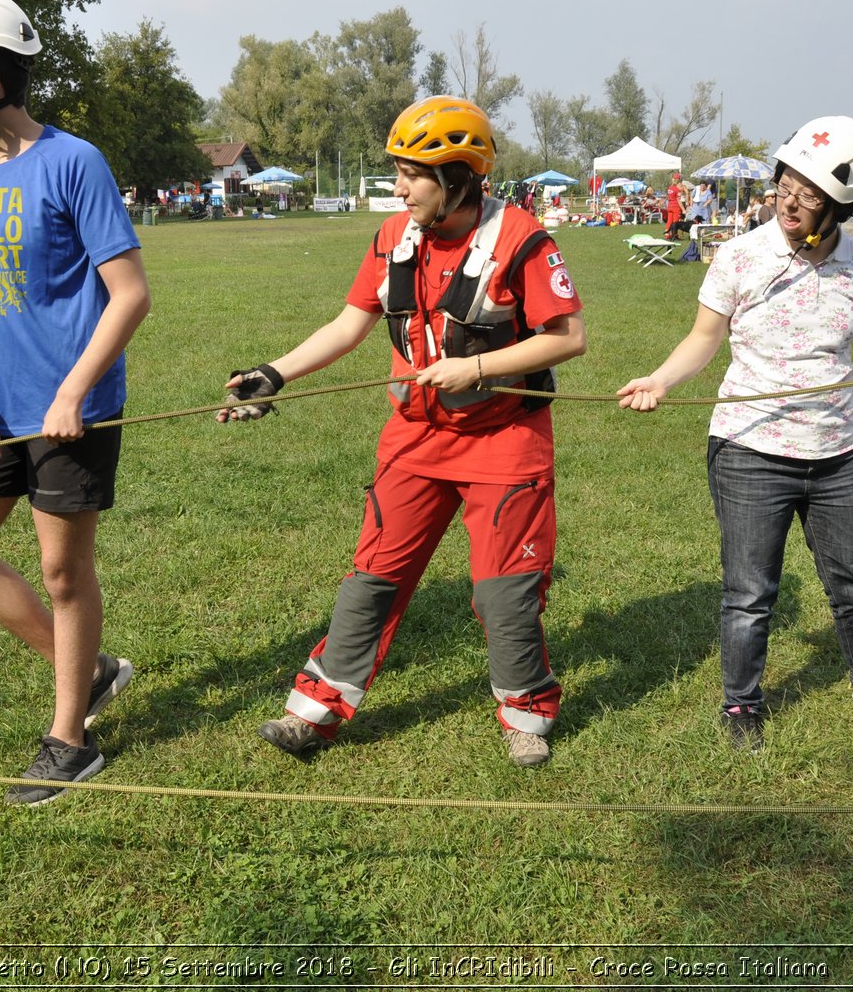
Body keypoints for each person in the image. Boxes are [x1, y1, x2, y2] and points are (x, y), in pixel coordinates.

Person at [220, 95, 587, 768]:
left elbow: (568, 337)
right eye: (398, 172)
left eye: (411, 175)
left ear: (458, 175)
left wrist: (474, 365)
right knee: (373, 578)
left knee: (504, 592)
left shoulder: (522, 239)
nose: (398, 188)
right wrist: (273, 374)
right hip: (415, 441)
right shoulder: (394, 237)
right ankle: (315, 713)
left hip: (505, 439)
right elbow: (348, 324)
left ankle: (526, 711)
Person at [616, 116, 853, 751]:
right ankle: (742, 703)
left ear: (845, 208)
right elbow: (703, 338)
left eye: (810, 194)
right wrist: (661, 380)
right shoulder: (742, 256)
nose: (790, 202)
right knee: (750, 592)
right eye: (786, 185)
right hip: (750, 449)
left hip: (839, 453)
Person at [0, 0, 152, 806]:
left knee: (62, 570)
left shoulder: (74, 162)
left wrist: (74, 390)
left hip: (71, 411)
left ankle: (70, 740)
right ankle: (88, 669)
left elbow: (129, 293)